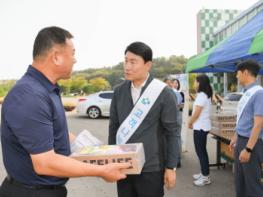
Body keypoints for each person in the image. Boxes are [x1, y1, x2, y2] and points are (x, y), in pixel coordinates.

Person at [0, 26, 129, 197]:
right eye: (73, 53)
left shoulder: (46, 89)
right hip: (31, 192)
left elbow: (56, 132)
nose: (75, 60)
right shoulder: (29, 95)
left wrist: (95, 150)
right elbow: (45, 163)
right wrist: (102, 170)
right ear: (56, 57)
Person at [108, 42, 181, 197]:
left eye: (133, 62)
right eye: (125, 61)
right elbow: (113, 128)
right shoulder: (119, 92)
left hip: (151, 168)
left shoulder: (163, 93)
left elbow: (173, 132)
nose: (127, 66)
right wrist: (112, 160)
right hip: (124, 166)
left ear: (148, 65)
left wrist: (171, 167)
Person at [229, 60, 263, 197]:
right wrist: (236, 136)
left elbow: (259, 124)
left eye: (238, 73)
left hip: (252, 144)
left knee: (252, 184)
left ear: (245, 73)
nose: (236, 76)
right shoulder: (248, 92)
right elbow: (245, 118)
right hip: (242, 141)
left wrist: (248, 149)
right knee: (240, 181)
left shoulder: (258, 93)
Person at [188, 74, 213, 186]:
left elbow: (197, 113)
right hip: (202, 127)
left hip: (200, 127)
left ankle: (205, 177)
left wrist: (190, 122)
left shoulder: (202, 95)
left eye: (195, 81)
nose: (194, 83)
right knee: (202, 151)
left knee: (201, 152)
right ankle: (204, 173)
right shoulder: (203, 94)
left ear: (199, 82)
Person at [172, 78, 185, 168]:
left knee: (176, 136)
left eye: (177, 83)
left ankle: (177, 159)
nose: (175, 84)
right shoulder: (170, 92)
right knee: (175, 137)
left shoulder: (180, 93)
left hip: (177, 115)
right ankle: (176, 159)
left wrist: (176, 105)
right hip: (173, 115)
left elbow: (182, 106)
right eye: (174, 83)